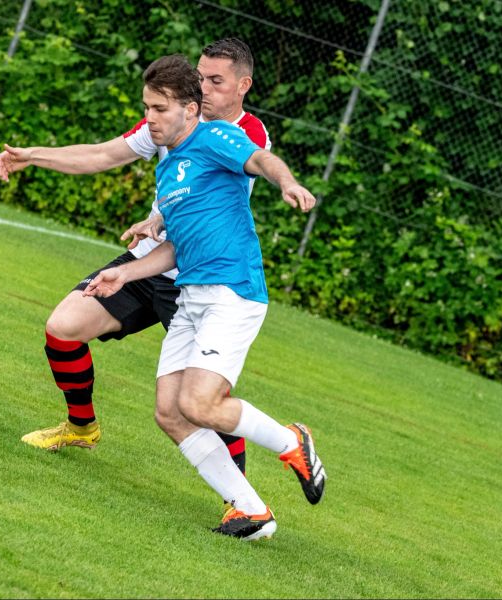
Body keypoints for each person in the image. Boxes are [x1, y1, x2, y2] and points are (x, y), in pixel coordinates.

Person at [0, 39, 272, 477]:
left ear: (243, 86)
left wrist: (160, 216)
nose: (204, 88)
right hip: (146, 265)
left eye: (216, 82)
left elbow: (211, 188)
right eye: (200, 78)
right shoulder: (170, 118)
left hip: (200, 277)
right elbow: (104, 153)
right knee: (63, 328)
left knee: (201, 401)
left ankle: (240, 499)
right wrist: (32, 156)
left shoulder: (247, 134)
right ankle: (80, 427)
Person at [84, 54, 326, 540]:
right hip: (192, 293)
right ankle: (251, 510)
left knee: (200, 402)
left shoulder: (215, 137)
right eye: (147, 107)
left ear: (190, 109)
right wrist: (125, 275)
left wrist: (288, 181)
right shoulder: (169, 164)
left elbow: (260, 159)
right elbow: (177, 245)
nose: (149, 118)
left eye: (159, 108)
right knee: (169, 413)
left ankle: (291, 441)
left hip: (231, 293)